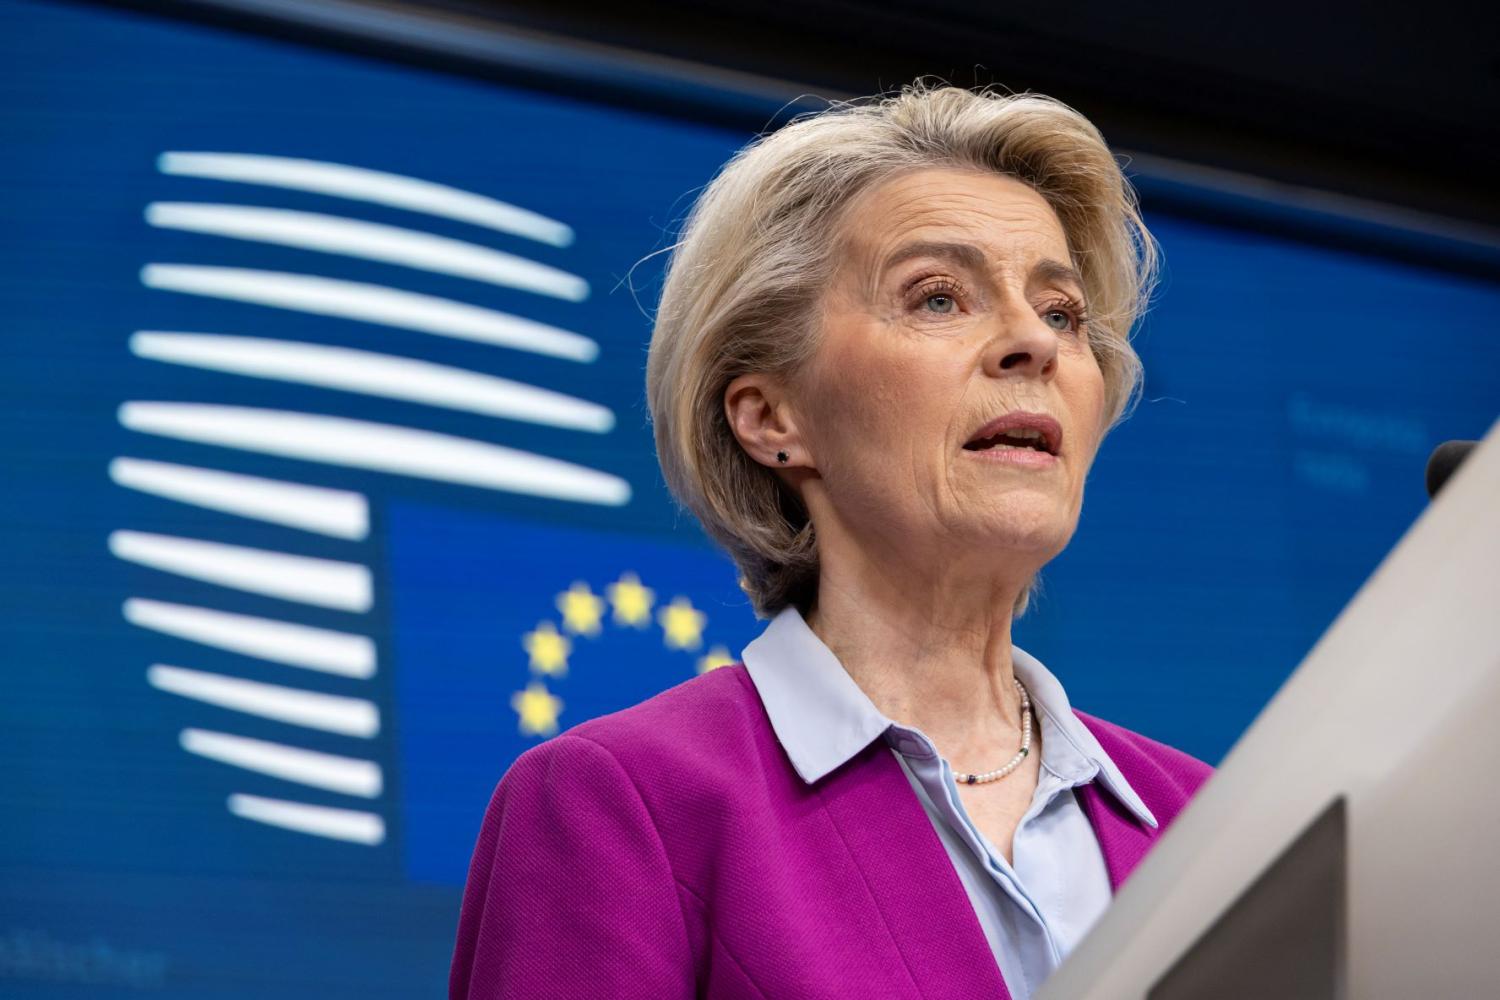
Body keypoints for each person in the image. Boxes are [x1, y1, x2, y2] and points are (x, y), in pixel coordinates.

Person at [450, 81, 1213, 1000]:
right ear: (773, 417)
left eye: (1062, 313)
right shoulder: (626, 805)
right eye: (938, 298)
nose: (1032, 343)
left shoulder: (1205, 823)